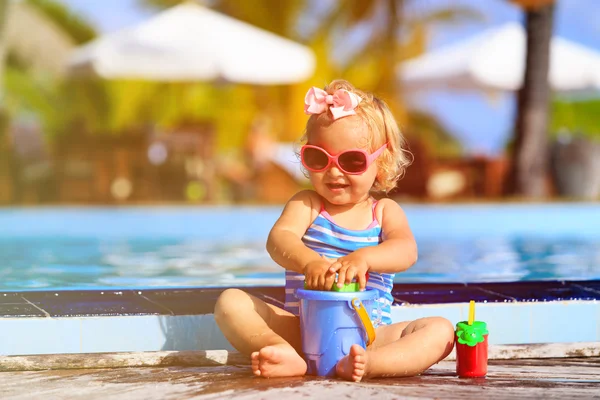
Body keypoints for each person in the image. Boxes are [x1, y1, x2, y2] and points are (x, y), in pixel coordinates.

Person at [214, 79, 455, 382]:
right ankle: (279, 350)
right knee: (230, 302)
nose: (333, 171)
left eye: (351, 160)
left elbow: (406, 251)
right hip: (304, 330)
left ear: (380, 163)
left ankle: (373, 362)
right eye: (318, 157)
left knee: (440, 331)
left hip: (369, 332)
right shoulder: (308, 204)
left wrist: (365, 258)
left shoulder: (384, 213)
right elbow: (279, 240)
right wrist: (308, 261)